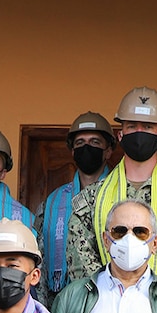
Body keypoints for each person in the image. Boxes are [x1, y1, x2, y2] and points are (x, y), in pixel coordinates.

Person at [66, 86, 157, 294]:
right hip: (104, 305)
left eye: (147, 127)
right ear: (120, 135)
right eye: (132, 127)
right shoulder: (91, 198)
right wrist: (113, 294)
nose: (139, 133)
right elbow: (79, 258)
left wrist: (155, 295)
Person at [38, 111, 115, 297]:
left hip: (107, 296)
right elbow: (40, 253)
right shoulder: (54, 200)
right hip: (61, 298)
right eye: (80, 143)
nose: (86, 147)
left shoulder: (122, 193)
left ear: (108, 151)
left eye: (95, 142)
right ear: (72, 151)